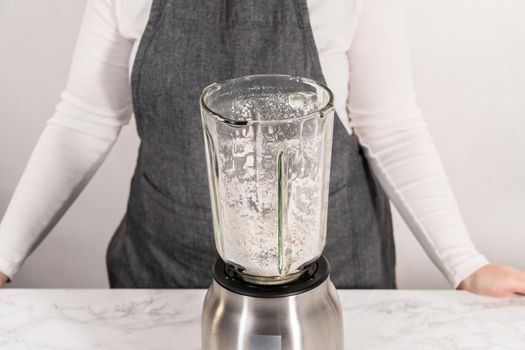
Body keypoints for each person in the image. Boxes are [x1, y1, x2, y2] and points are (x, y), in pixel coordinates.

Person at [1, 0, 524, 296]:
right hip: (167, 275)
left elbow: (391, 126)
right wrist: (5, 256)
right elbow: (85, 119)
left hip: (330, 283)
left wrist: (466, 266)